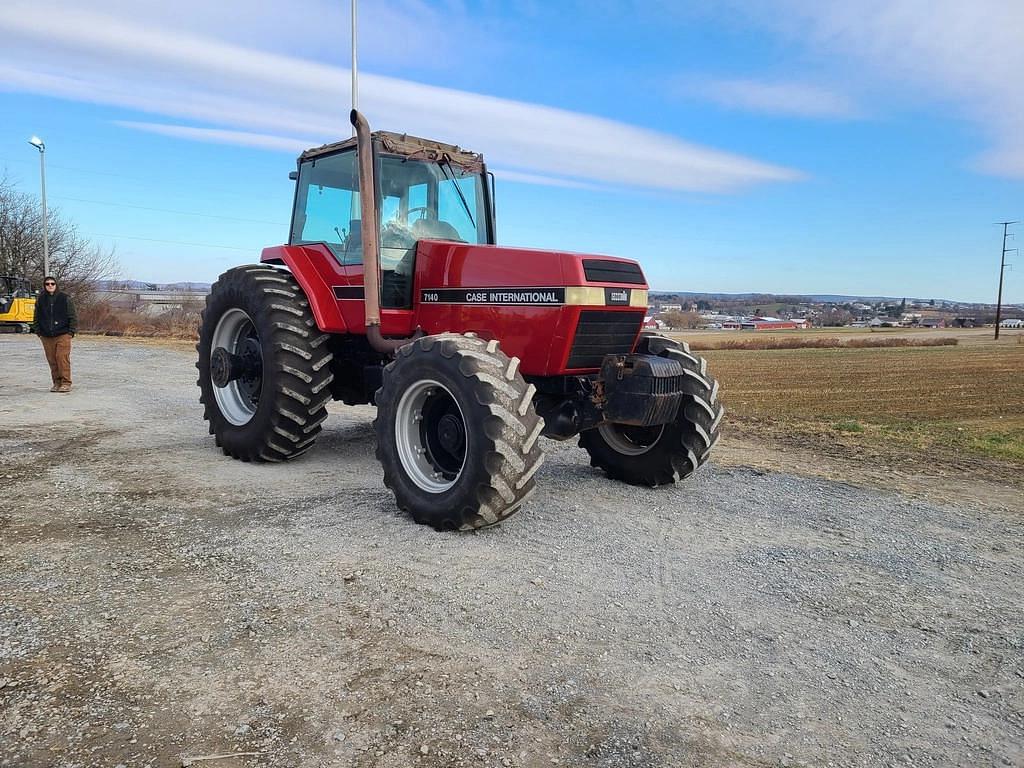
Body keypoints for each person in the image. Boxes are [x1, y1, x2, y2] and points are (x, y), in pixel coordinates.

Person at [33, 276, 77, 393]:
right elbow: (36, 317)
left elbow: (72, 316)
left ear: (56, 285)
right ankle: (56, 383)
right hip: (46, 335)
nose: (50, 286)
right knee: (52, 360)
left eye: (52, 283)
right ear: (44, 286)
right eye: (47, 284)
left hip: (62, 333)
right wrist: (38, 331)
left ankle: (66, 383)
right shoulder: (40, 299)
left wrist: (70, 332)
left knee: (62, 358)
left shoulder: (65, 298)